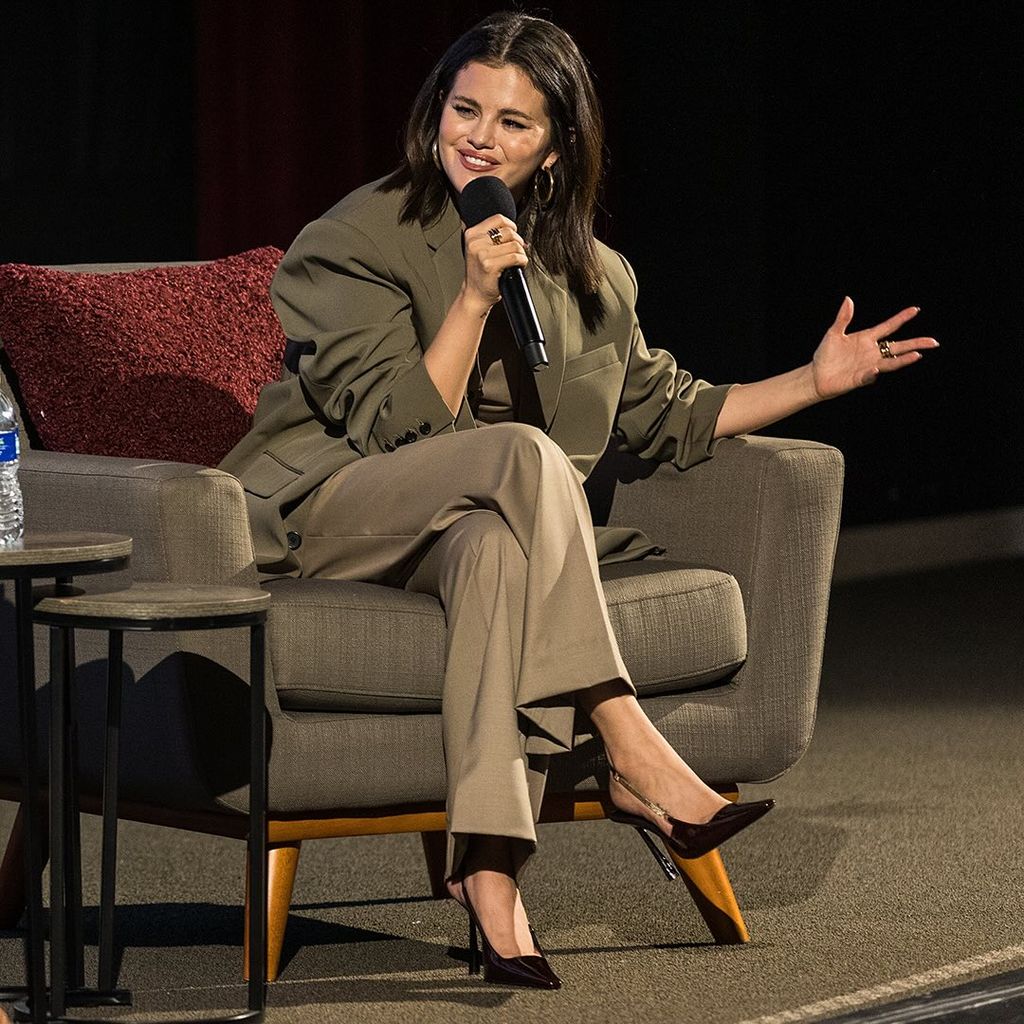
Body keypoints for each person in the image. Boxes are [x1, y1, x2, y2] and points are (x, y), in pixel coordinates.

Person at [219, 11, 937, 989]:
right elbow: (398, 428)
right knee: (519, 458)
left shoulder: (595, 278)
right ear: (435, 113)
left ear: (556, 148)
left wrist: (814, 382)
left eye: (513, 122)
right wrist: (472, 298)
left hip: (472, 527)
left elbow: (665, 413)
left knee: (497, 553)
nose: (478, 134)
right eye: (463, 108)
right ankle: (630, 740)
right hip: (339, 509)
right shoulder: (354, 236)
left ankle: (490, 877)